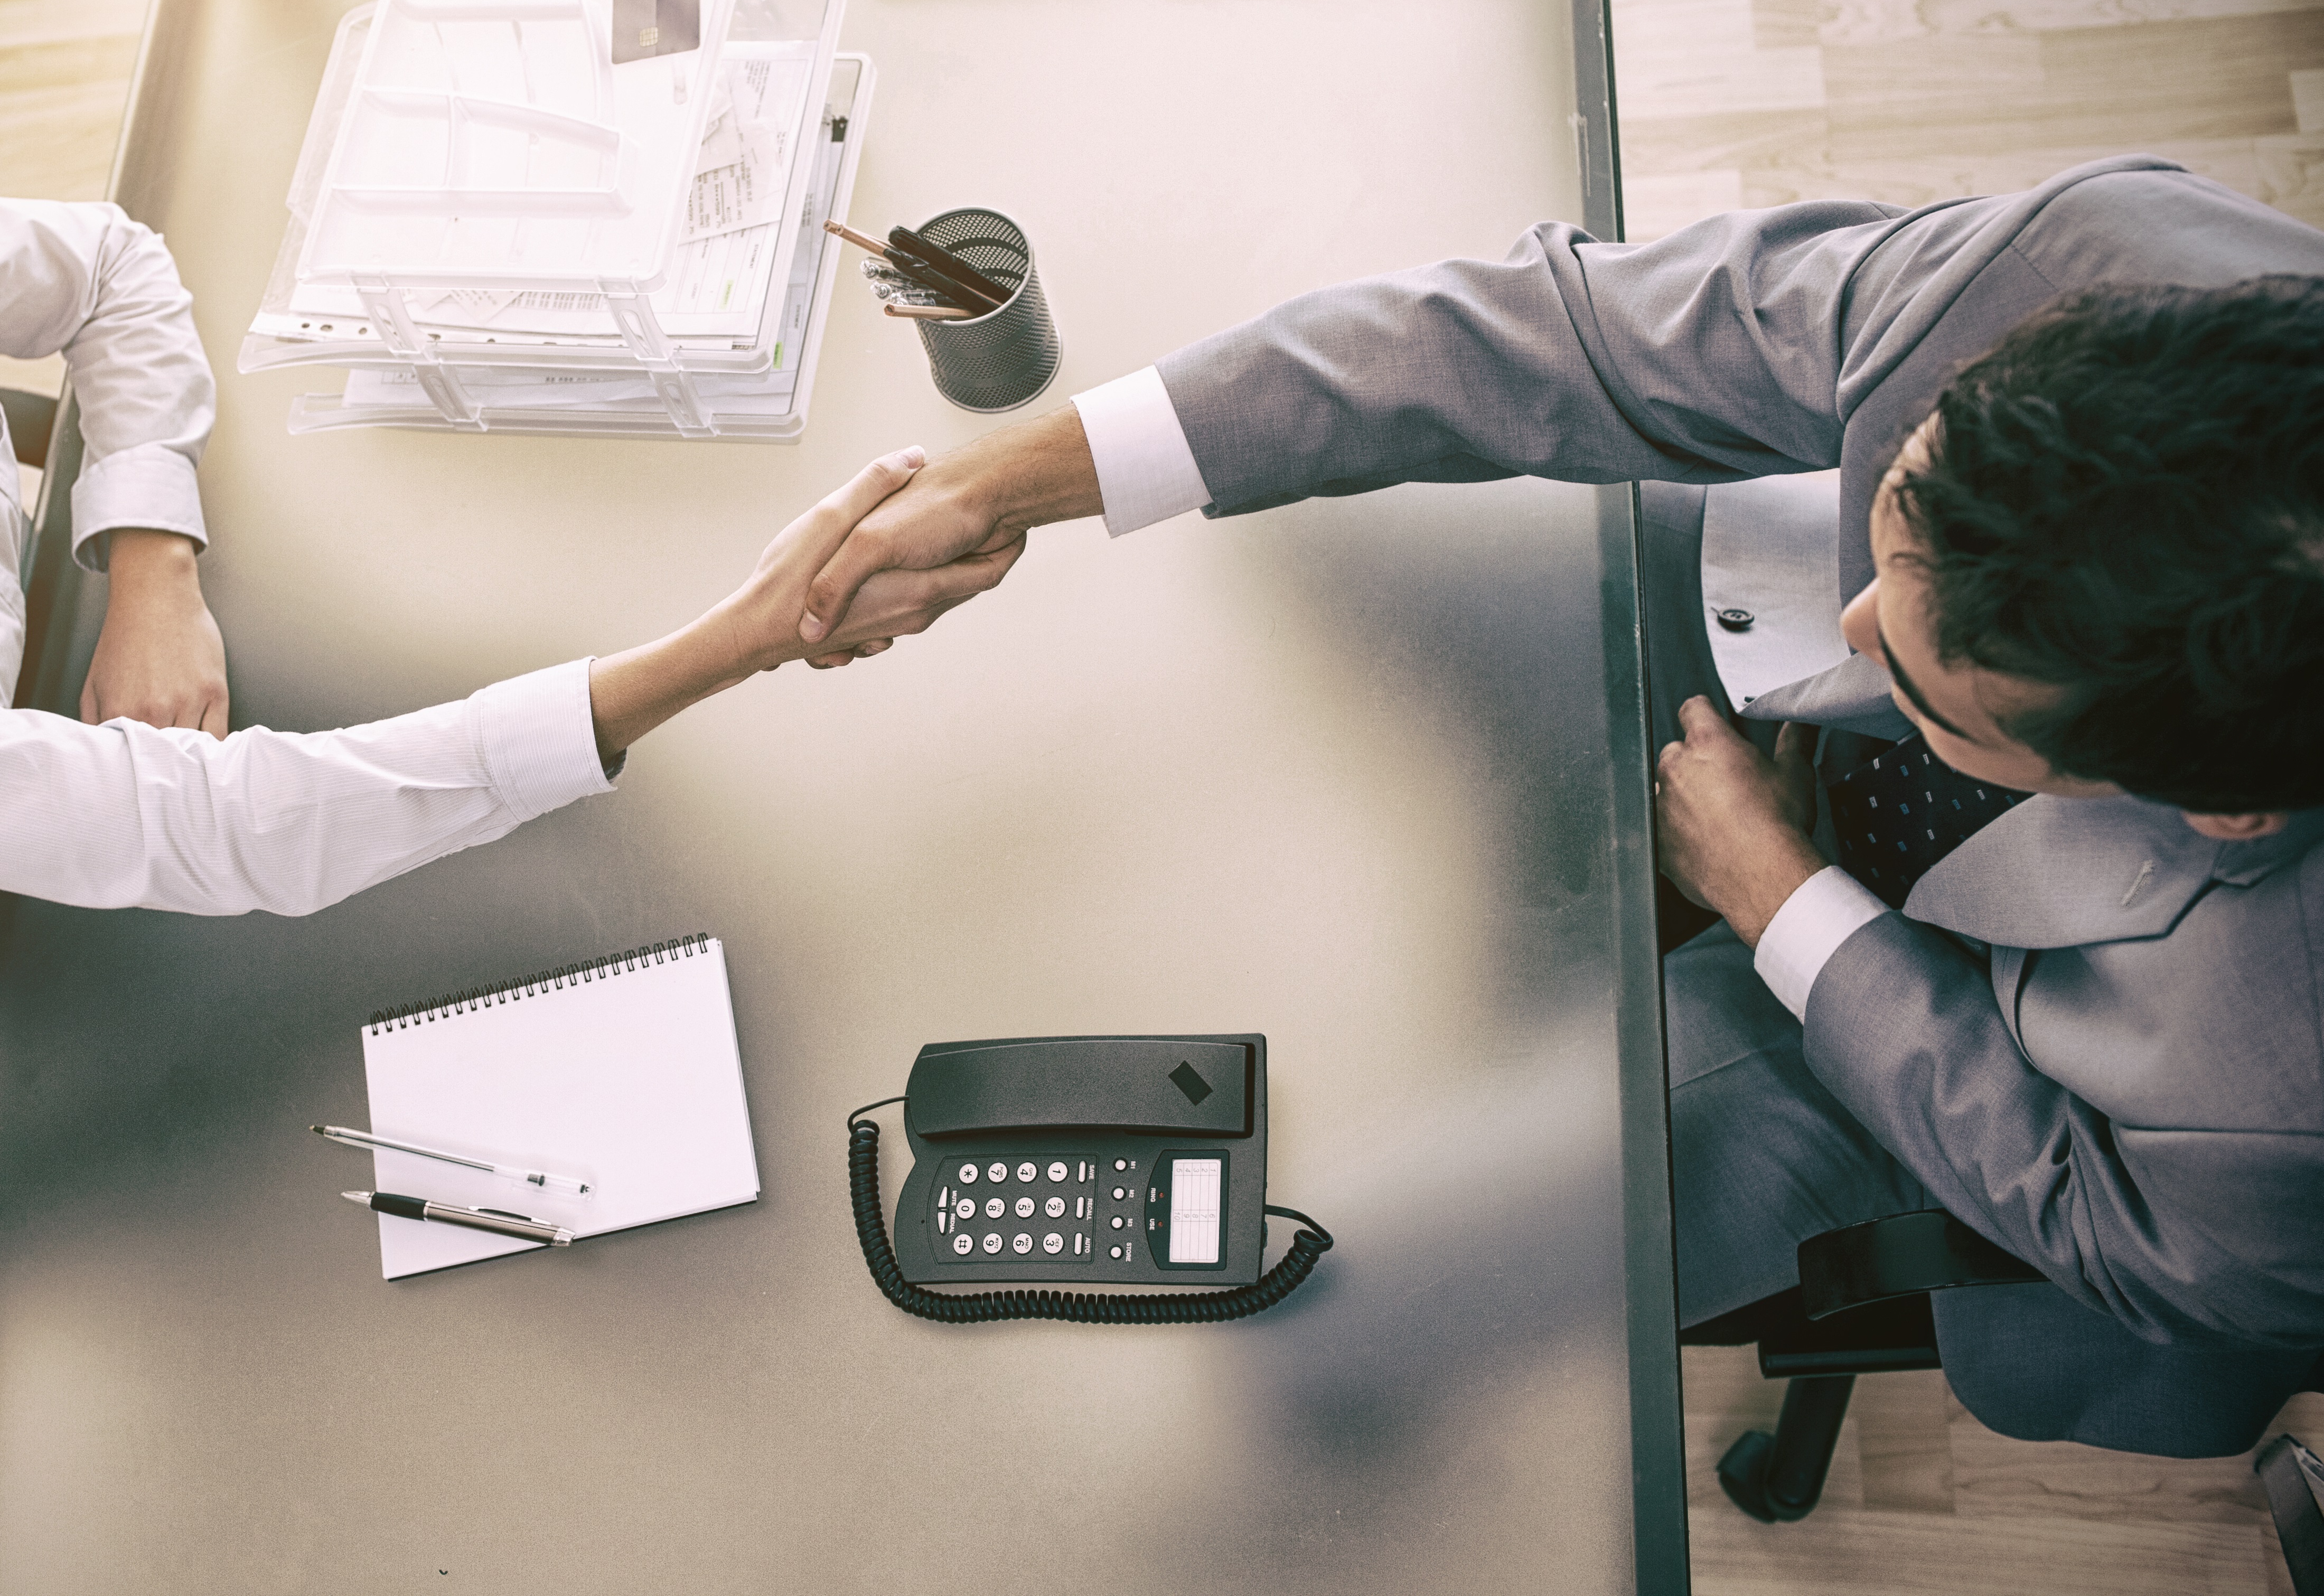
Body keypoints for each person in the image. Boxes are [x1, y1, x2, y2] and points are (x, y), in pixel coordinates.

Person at [795, 156, 2324, 1459]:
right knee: (1346, 544)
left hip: (1936, 1028)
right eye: (1898, 511)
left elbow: (2113, 1235)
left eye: (1926, 684)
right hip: (1746, 637)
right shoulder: (2093, 267)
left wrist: (1784, 905)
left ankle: (1338, 1383)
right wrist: (1033, 474)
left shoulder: (2285, 1072)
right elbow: (1558, 335)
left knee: (1341, 1272)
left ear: (2225, 813)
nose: (1854, 633)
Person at [0, 35, 1012, 1099]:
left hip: (86, 670)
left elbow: (113, 266)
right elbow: (223, 837)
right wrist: (743, 636)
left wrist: (149, 561)